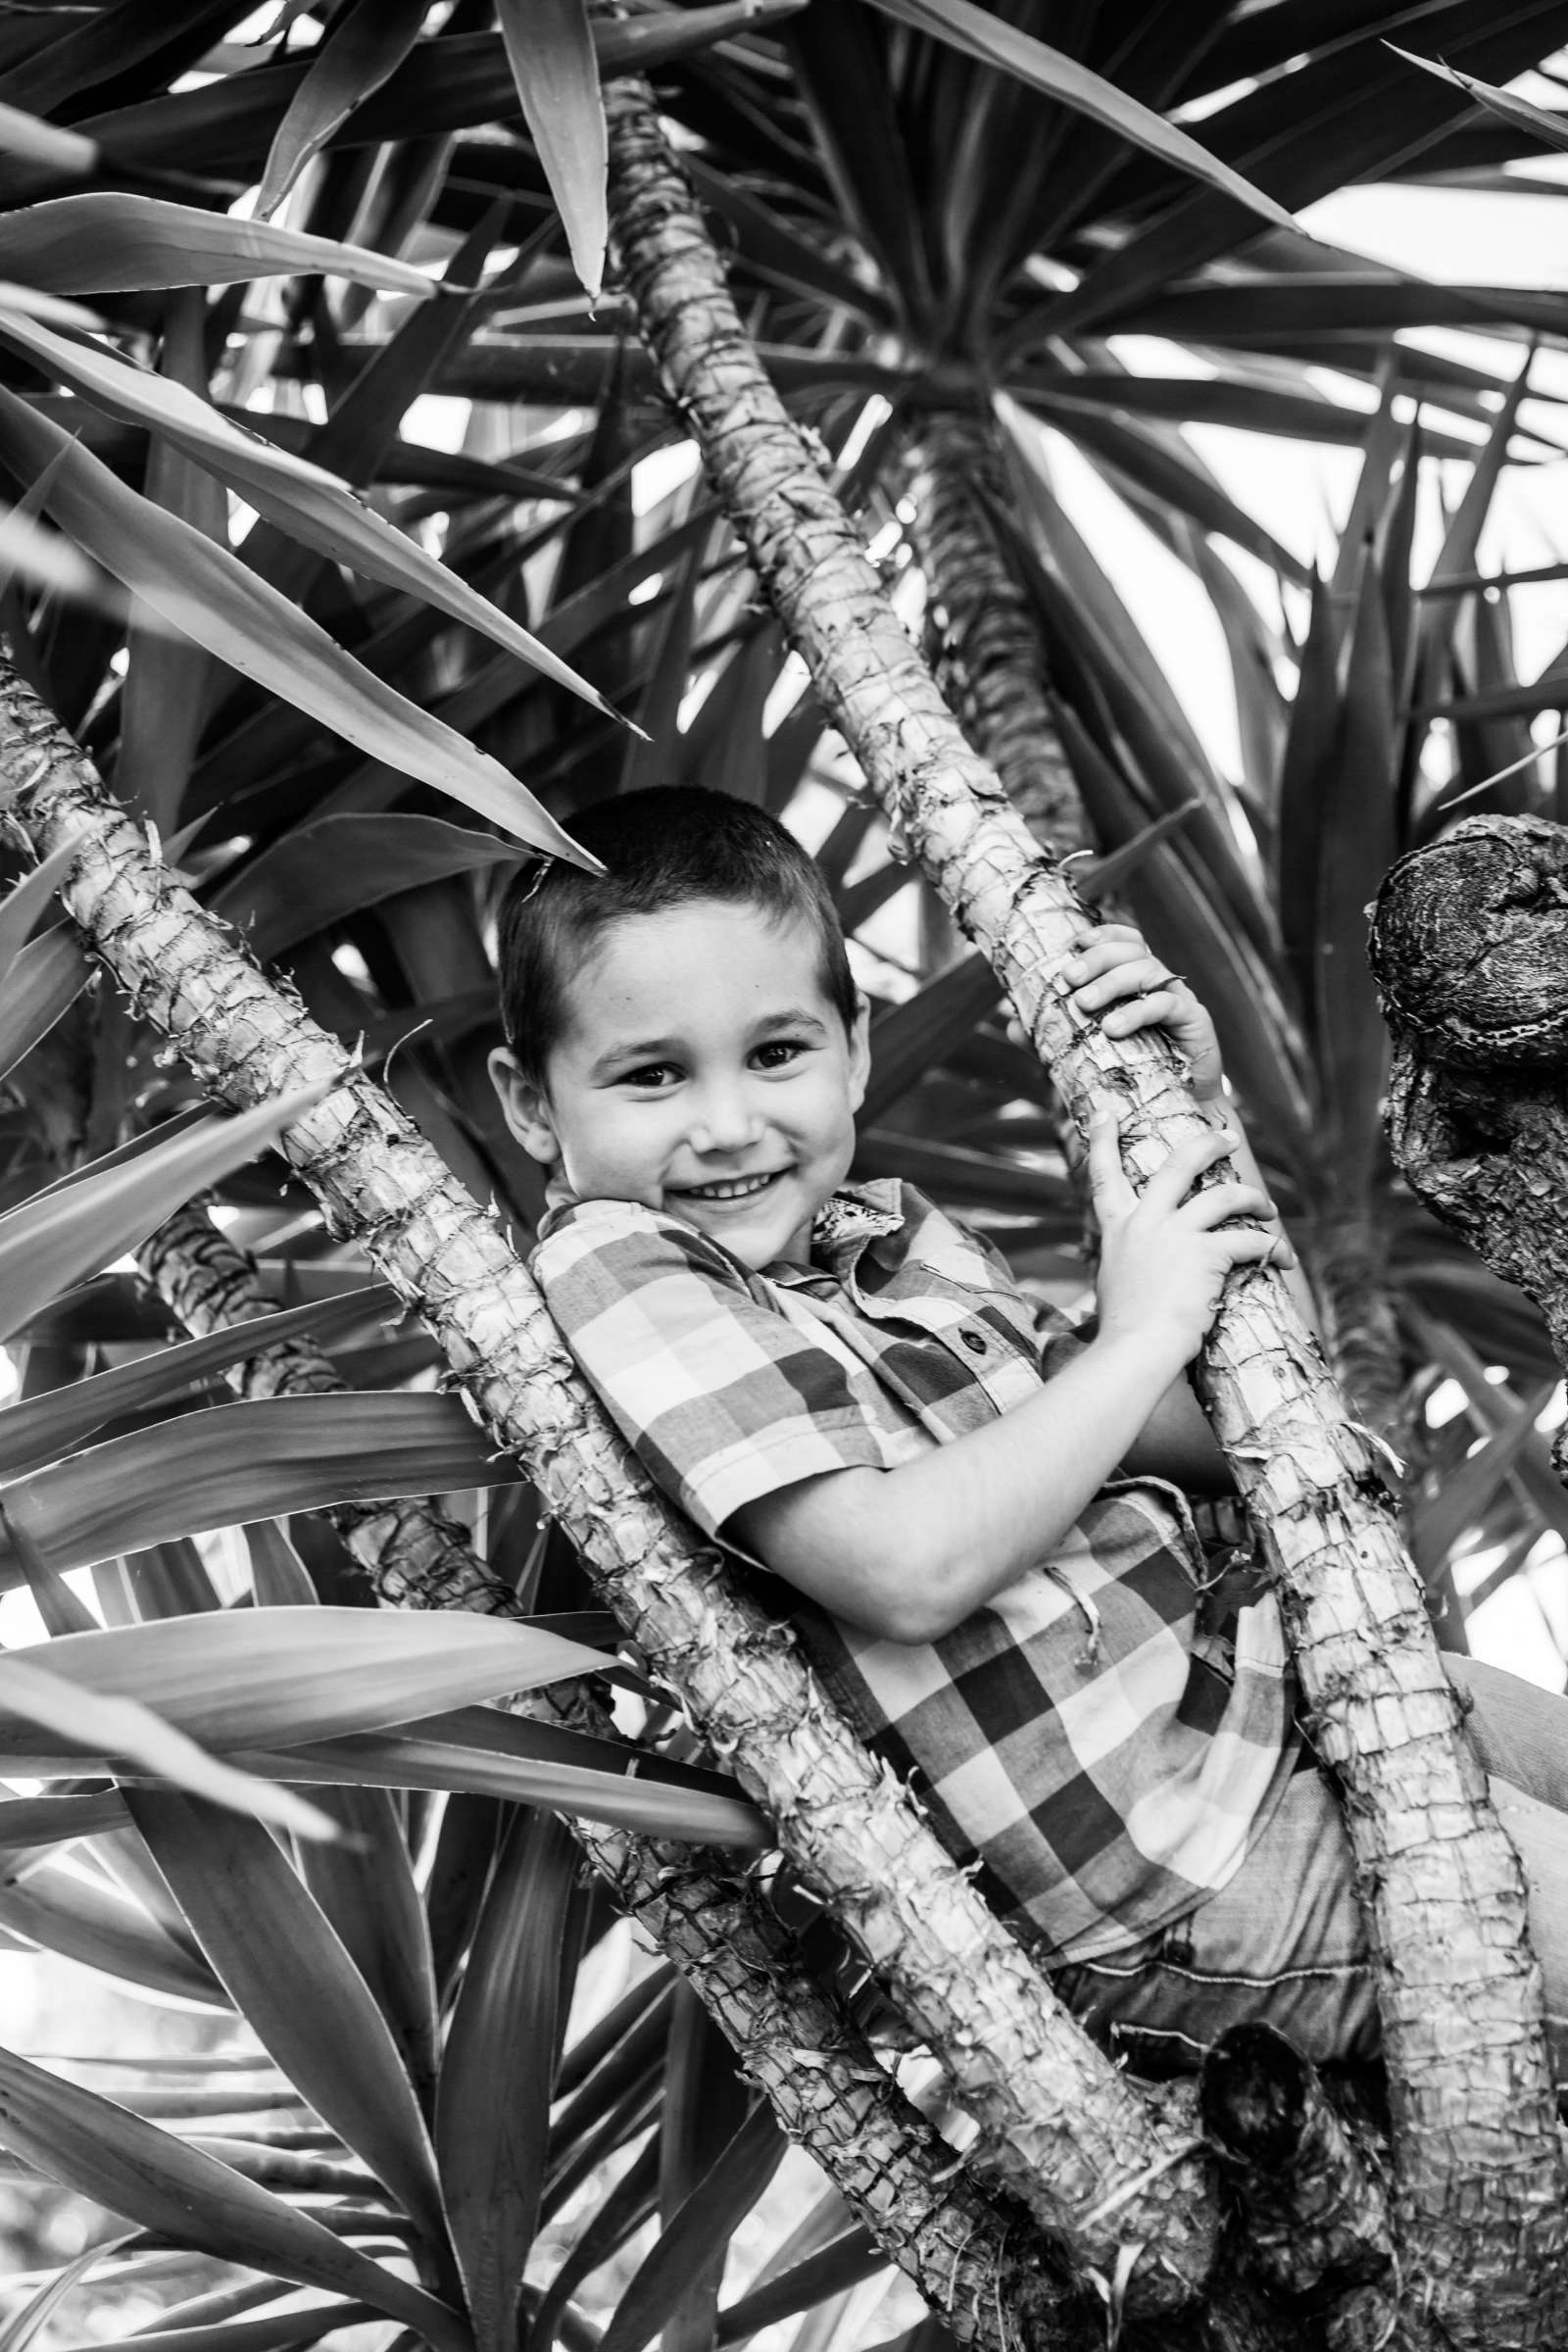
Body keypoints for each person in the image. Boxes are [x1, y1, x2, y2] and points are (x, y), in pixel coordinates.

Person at [489, 784, 1568, 2082]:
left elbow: (1220, 1430)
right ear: (533, 1106)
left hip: (1260, 1715)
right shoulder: (619, 1259)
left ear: (855, 1045)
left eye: (777, 1053)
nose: (728, 1125)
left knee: (1530, 1731)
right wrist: (1130, 1337)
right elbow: (902, 1568)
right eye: (653, 1075)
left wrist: (1200, 1124)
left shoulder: (899, 1243)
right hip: (1165, 1884)